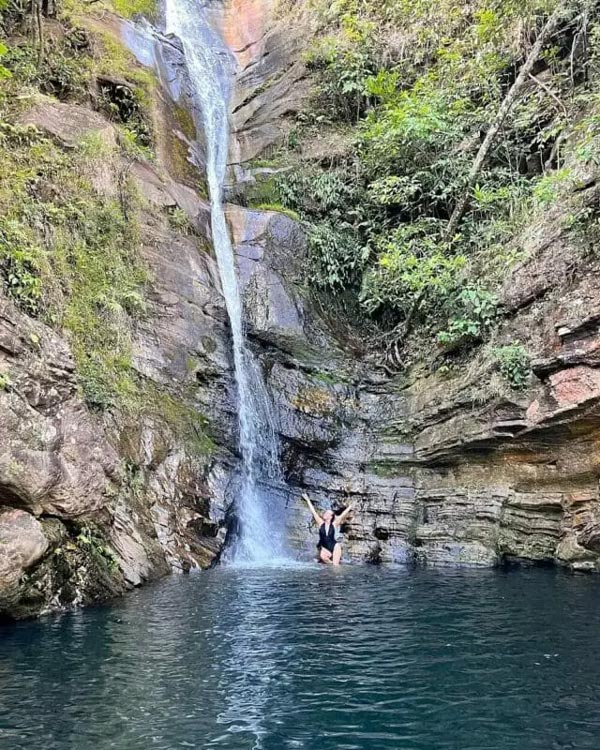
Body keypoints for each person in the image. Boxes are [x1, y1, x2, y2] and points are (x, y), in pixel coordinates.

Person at [302, 493, 353, 565]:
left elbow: (342, 515)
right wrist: (307, 500)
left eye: (327, 513)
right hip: (325, 548)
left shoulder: (334, 524)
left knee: (335, 566)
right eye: (325, 513)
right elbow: (313, 512)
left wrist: (350, 507)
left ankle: (337, 570)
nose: (324, 514)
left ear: (331, 517)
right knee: (323, 557)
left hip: (335, 547)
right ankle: (332, 564)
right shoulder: (320, 523)